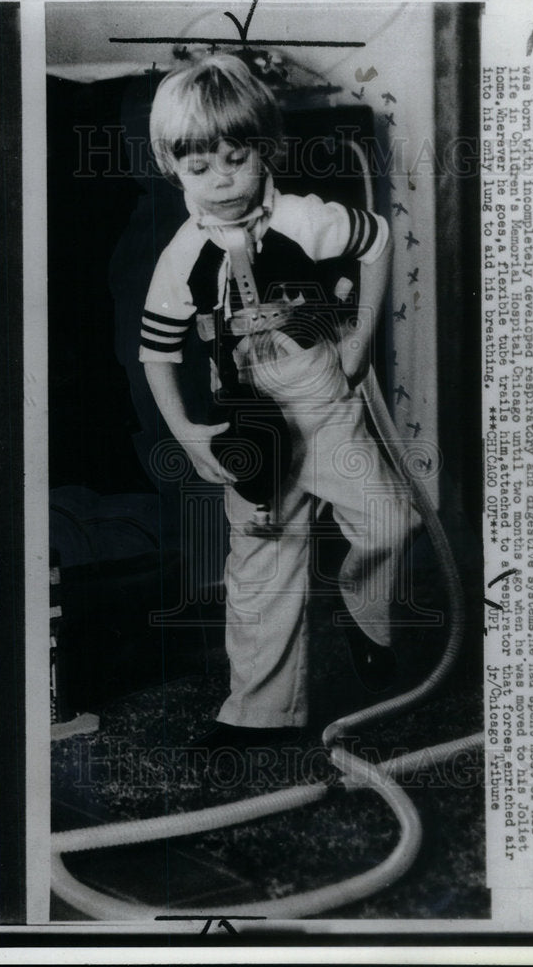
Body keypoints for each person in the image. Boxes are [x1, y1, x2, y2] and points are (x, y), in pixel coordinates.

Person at [140, 54, 418, 747]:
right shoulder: (181, 256)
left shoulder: (304, 221)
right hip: (251, 418)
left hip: (321, 400)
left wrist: (357, 346)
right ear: (171, 165)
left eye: (238, 158)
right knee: (263, 553)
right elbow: (158, 350)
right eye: (200, 168)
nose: (222, 180)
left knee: (389, 521)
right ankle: (260, 712)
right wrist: (186, 433)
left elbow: (378, 241)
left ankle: (366, 612)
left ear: (266, 149)